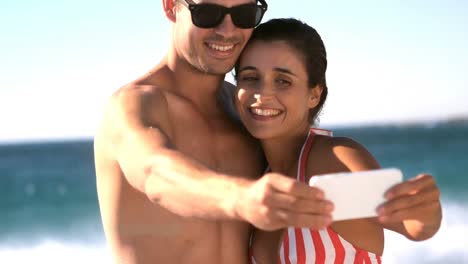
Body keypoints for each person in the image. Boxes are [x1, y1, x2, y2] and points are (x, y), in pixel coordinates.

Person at [94, 1, 338, 263]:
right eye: (208, 13)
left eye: (244, 14)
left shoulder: (249, 112)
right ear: (169, 6)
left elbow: (310, 166)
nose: (226, 30)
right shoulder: (132, 105)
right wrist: (242, 199)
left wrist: (385, 208)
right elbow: (155, 173)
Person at [232, 18, 443, 263]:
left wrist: (428, 210)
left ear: (314, 94)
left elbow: (413, 225)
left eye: (283, 81)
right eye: (250, 77)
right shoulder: (257, 179)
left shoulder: (330, 158)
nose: (263, 94)